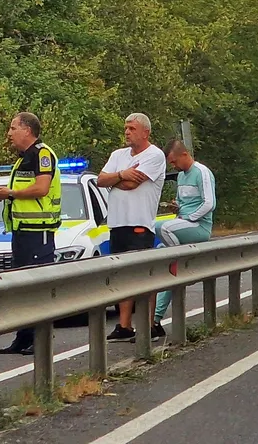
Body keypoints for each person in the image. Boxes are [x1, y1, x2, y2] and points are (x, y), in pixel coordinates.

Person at [0, 112, 62, 355]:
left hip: (38, 232)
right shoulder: (23, 158)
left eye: (13, 128)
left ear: (27, 130)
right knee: (22, 286)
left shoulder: (42, 154)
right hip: (21, 231)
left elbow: (41, 188)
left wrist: (9, 193)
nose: (9, 133)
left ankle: (39, 339)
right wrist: (6, 194)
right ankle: (23, 337)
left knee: (37, 286)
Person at [96, 113, 166, 342]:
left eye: (132, 128)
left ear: (145, 132)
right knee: (122, 277)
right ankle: (124, 326)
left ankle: (148, 326)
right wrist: (121, 174)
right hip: (117, 223)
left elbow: (131, 184)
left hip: (139, 223)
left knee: (142, 276)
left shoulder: (154, 155)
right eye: (126, 128)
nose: (127, 132)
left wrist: (117, 179)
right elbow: (101, 179)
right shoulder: (118, 155)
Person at [150, 139, 216, 338]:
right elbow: (182, 201)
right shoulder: (180, 176)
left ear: (184, 155)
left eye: (173, 161)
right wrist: (176, 207)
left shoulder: (202, 172)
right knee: (166, 268)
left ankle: (178, 256)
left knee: (159, 226)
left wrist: (189, 217)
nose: (173, 166)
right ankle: (155, 320)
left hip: (199, 226)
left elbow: (209, 203)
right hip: (184, 222)